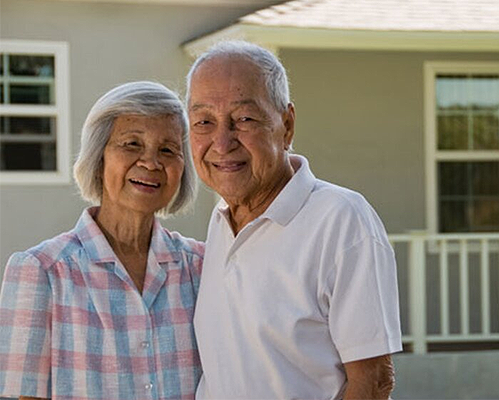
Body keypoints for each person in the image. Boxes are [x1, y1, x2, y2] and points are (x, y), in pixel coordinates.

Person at [187, 41, 402, 399]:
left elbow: (373, 382)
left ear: (286, 125)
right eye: (203, 122)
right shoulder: (222, 221)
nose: (222, 142)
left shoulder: (341, 220)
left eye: (244, 119)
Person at [0, 81, 203, 399]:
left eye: (167, 150)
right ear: (99, 158)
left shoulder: (204, 269)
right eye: (132, 144)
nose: (151, 162)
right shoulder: (41, 272)